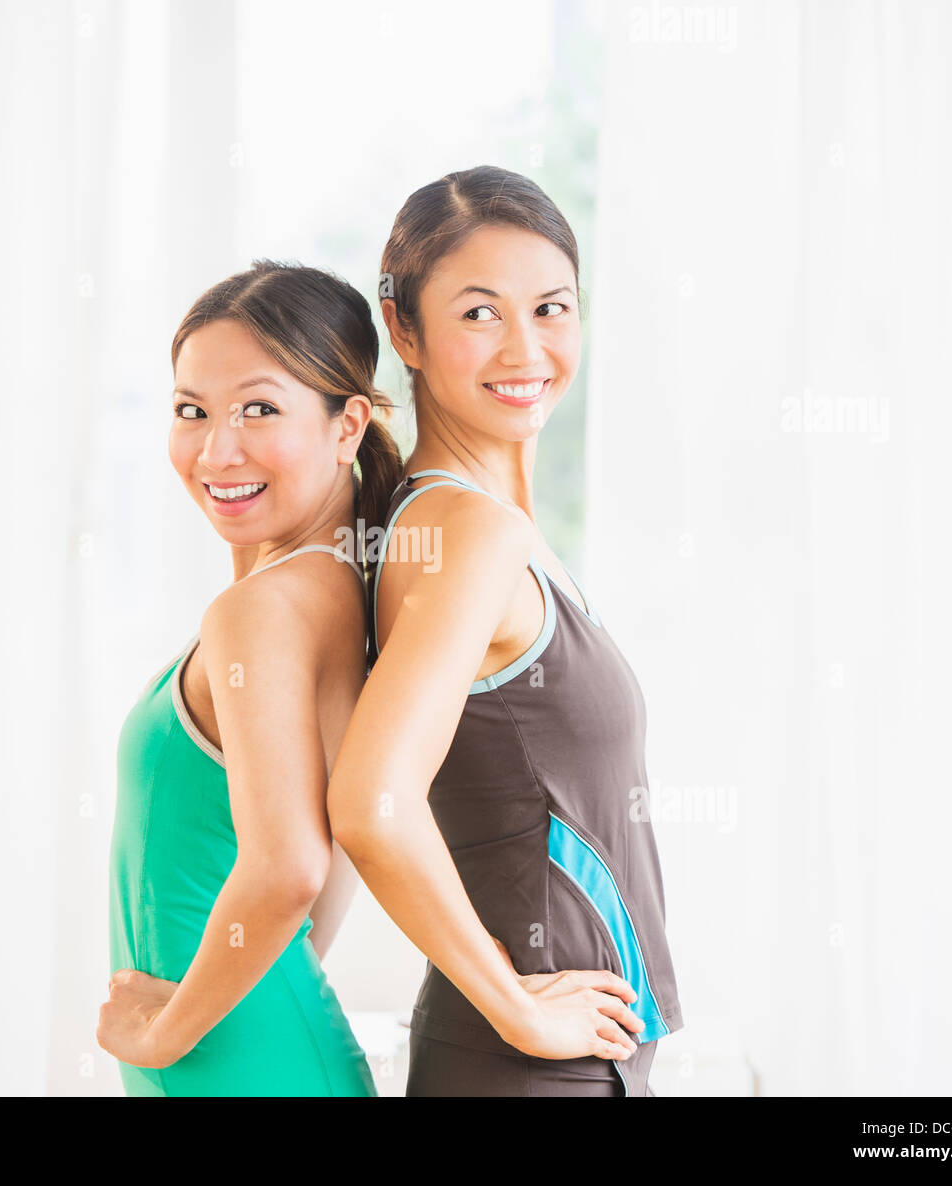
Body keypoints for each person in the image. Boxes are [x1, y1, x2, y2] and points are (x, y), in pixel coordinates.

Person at [327, 166, 684, 1096]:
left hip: (561, 1061)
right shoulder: (466, 531)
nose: (526, 347)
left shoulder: (479, 525)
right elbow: (371, 802)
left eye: (552, 307)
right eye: (480, 313)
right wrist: (520, 1007)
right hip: (528, 1067)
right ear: (403, 327)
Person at [98, 260, 401, 1095]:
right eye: (191, 411)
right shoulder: (335, 590)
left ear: (348, 427)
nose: (215, 447)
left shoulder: (263, 611)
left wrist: (164, 1033)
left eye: (258, 409)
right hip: (257, 1038)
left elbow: (293, 864)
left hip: (232, 1056)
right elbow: (328, 857)